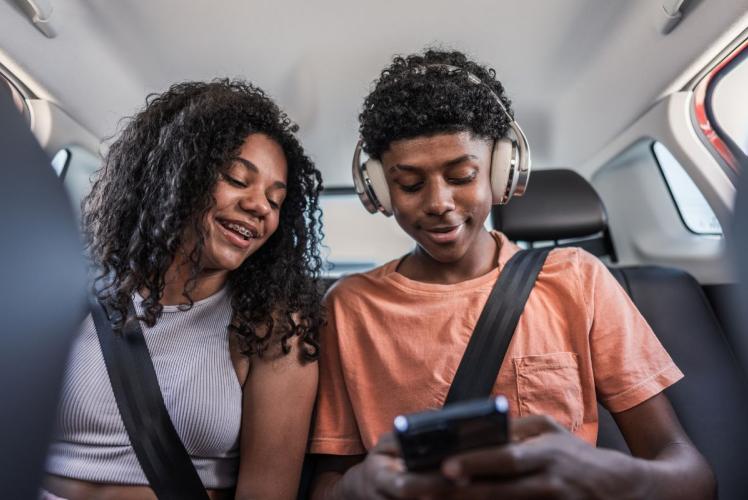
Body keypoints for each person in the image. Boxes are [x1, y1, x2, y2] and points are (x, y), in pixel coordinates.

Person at [309, 50, 715, 499]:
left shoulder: (577, 280)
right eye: (409, 184)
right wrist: (358, 486)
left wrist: (600, 473)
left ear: (503, 173)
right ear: (379, 190)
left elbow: (691, 474)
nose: (439, 202)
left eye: (462, 175)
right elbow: (328, 482)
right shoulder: (350, 308)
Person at [42, 80, 324, 500]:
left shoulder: (272, 328)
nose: (260, 206)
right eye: (236, 179)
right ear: (175, 175)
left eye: (275, 200)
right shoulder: (62, 293)